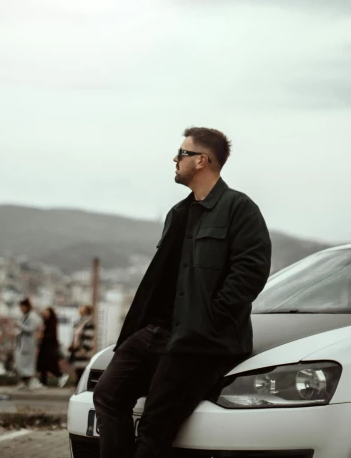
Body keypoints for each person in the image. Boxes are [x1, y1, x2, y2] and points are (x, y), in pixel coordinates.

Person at [93, 126, 272, 458]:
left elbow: (251, 271)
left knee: (154, 426)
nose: (175, 159)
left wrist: (209, 318)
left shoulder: (239, 209)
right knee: (107, 395)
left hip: (201, 339)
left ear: (202, 160)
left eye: (183, 153)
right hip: (156, 331)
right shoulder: (178, 213)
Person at [36, 307, 70, 388]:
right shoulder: (44, 322)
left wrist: (42, 336)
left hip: (49, 348)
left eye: (47, 313)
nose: (45, 314)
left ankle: (61, 375)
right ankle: (43, 382)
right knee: (41, 365)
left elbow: (52, 335)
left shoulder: (52, 322)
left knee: (49, 365)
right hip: (44, 347)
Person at [15, 297, 43, 390]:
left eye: (22, 307)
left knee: (28, 363)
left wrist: (19, 325)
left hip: (29, 343)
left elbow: (31, 329)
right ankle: (24, 381)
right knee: (22, 363)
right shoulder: (25, 316)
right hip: (23, 343)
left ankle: (30, 381)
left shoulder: (32, 316)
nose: (21, 309)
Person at [68, 304, 95, 385]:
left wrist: (85, 348)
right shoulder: (80, 321)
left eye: (82, 307)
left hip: (83, 349)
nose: (79, 309)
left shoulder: (88, 322)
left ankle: (80, 384)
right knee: (77, 367)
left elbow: (89, 336)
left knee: (82, 367)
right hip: (77, 348)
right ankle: (78, 383)